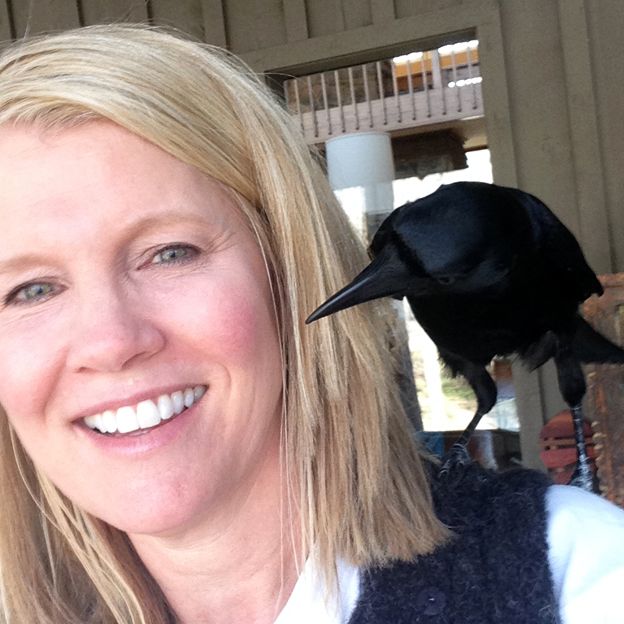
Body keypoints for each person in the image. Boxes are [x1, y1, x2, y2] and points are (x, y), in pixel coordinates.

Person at [0, 24, 620, 624]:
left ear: (291, 269)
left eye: (171, 252)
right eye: (30, 290)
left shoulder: (578, 574)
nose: (110, 342)